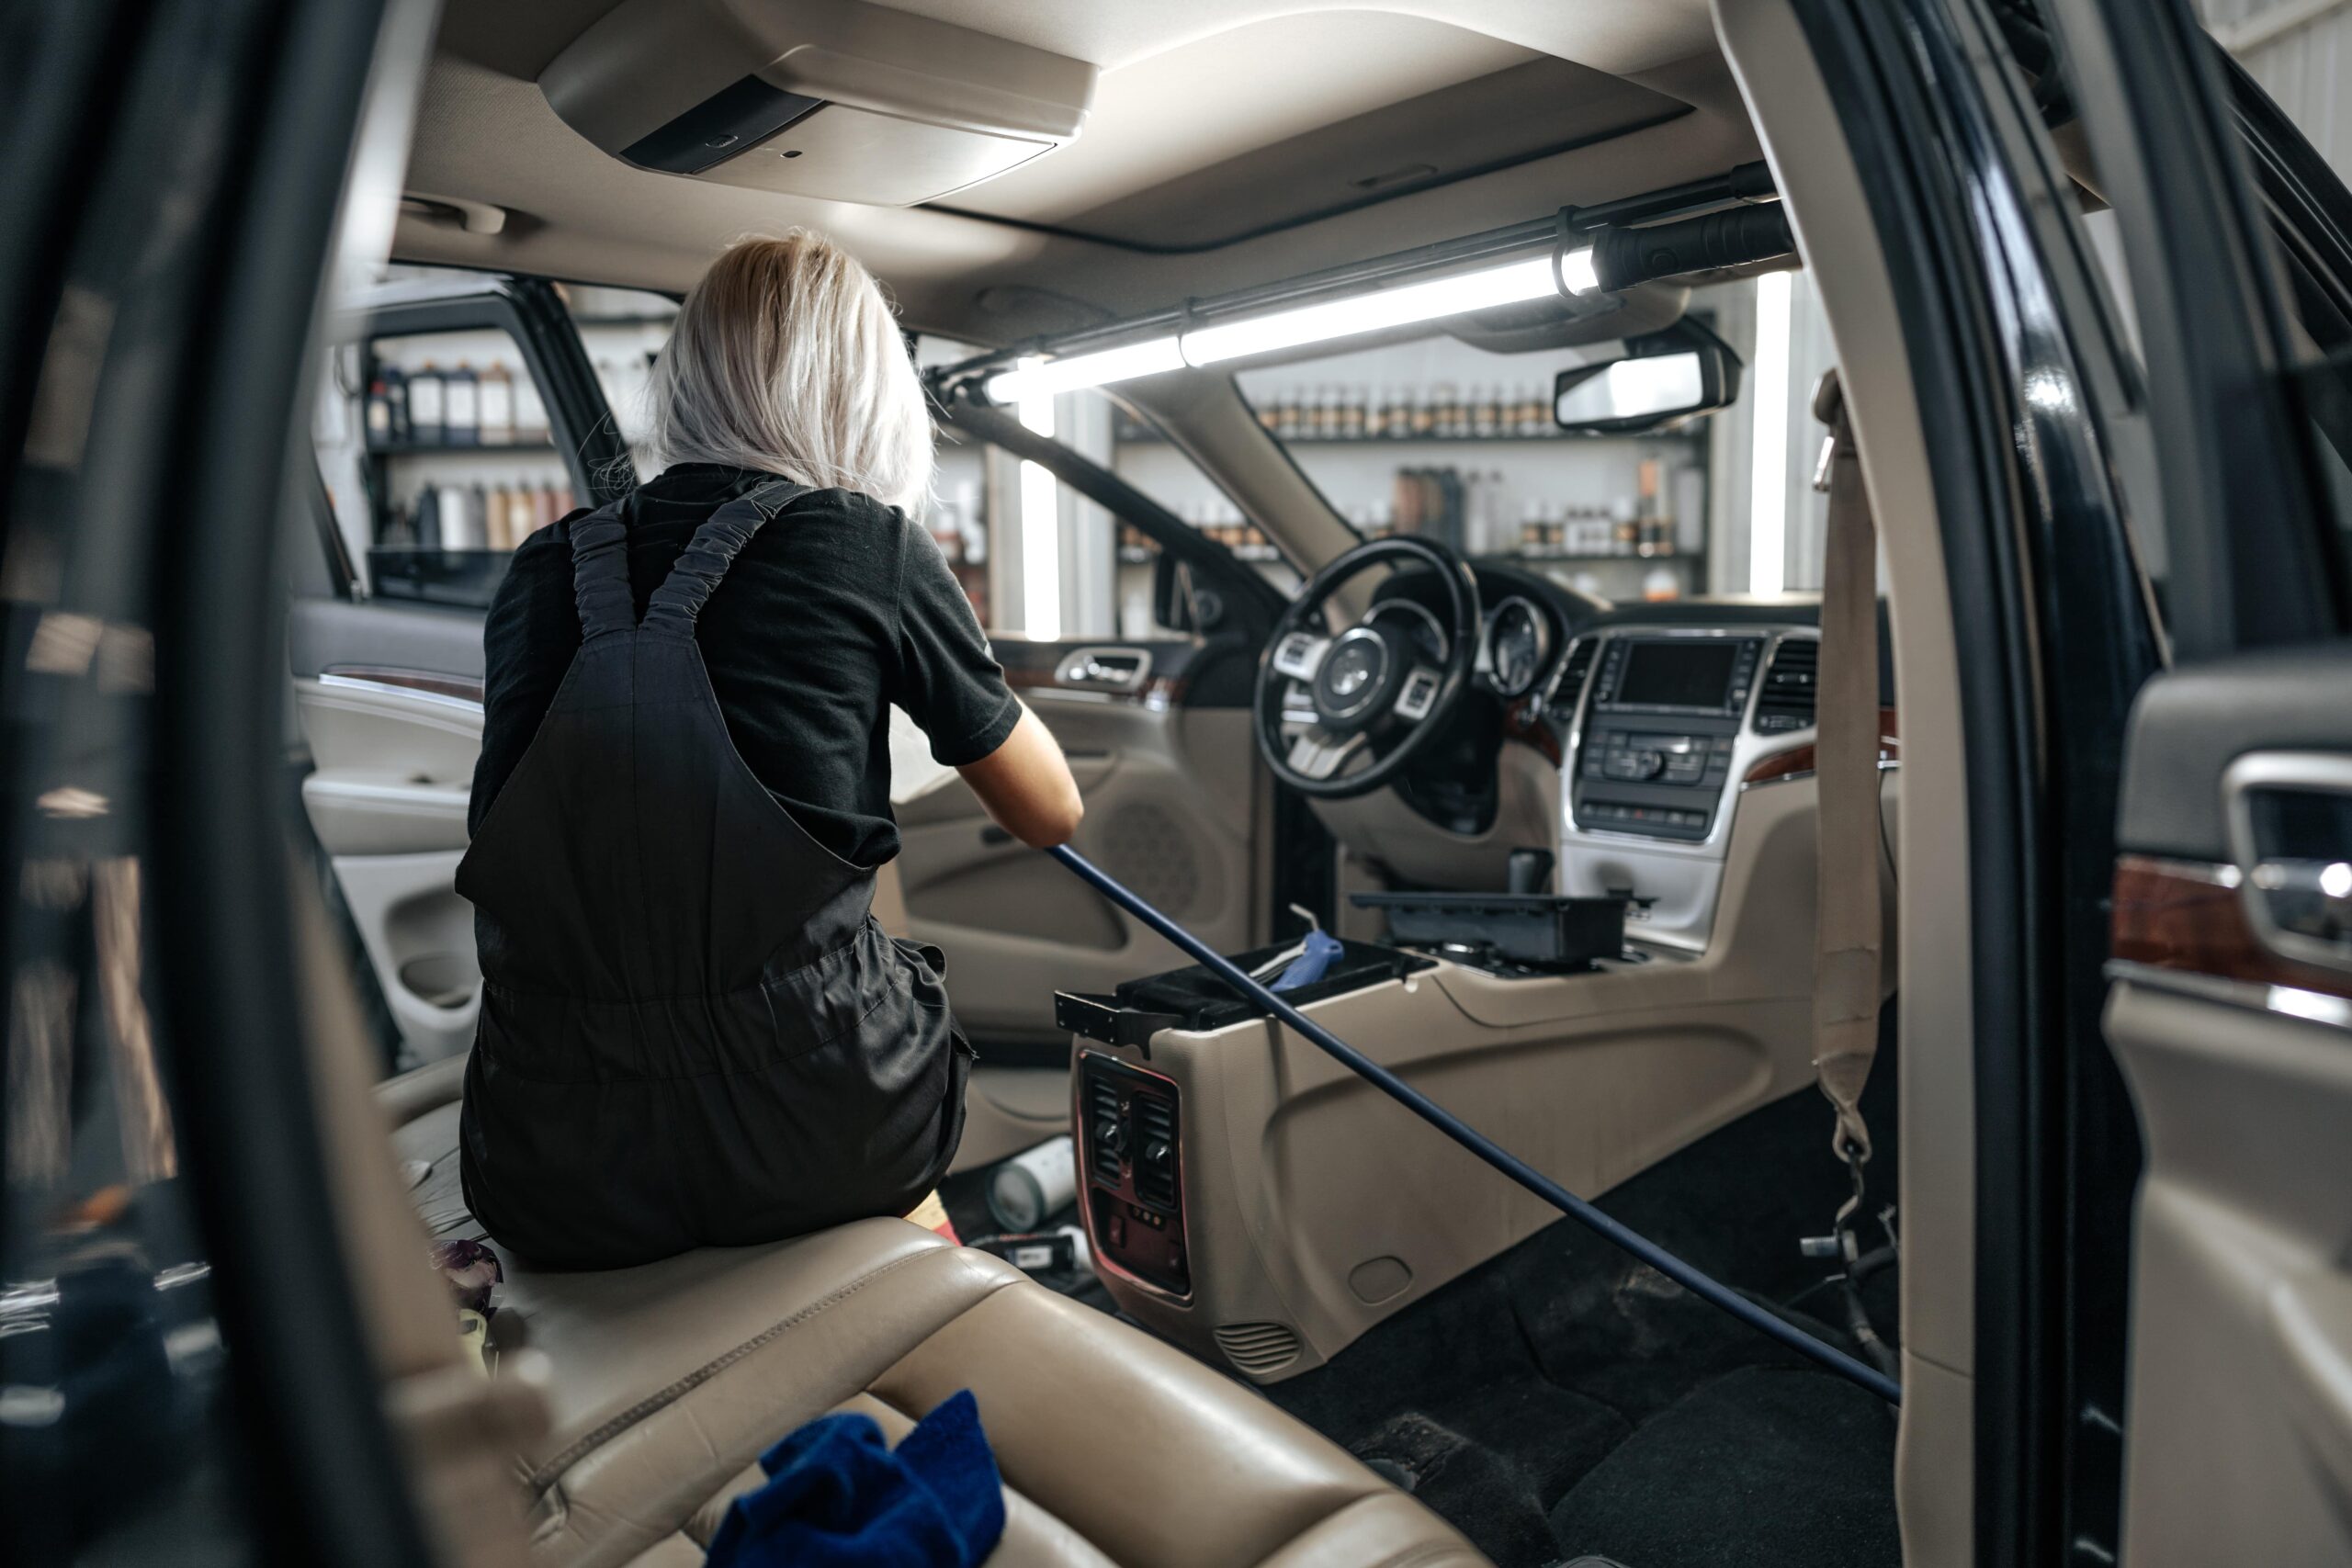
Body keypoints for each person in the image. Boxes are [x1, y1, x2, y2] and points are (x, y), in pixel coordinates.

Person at [456, 232, 1081, 1269]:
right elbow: (1050, 810)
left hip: (551, 1159)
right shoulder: (867, 544)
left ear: (687, 380)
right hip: (823, 1135)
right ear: (864, 394)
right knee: (888, 970)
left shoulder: (539, 569)